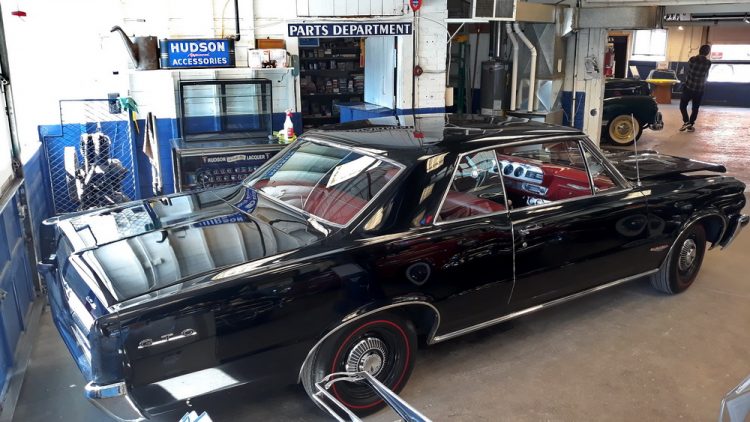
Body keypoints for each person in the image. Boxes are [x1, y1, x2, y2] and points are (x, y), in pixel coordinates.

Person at [679, 44, 712, 133]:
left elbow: (688, 69)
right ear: (708, 53)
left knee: (682, 106)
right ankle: (691, 124)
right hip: (699, 89)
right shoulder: (708, 63)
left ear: (699, 50)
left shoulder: (692, 59)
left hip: (689, 87)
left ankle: (686, 122)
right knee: (695, 108)